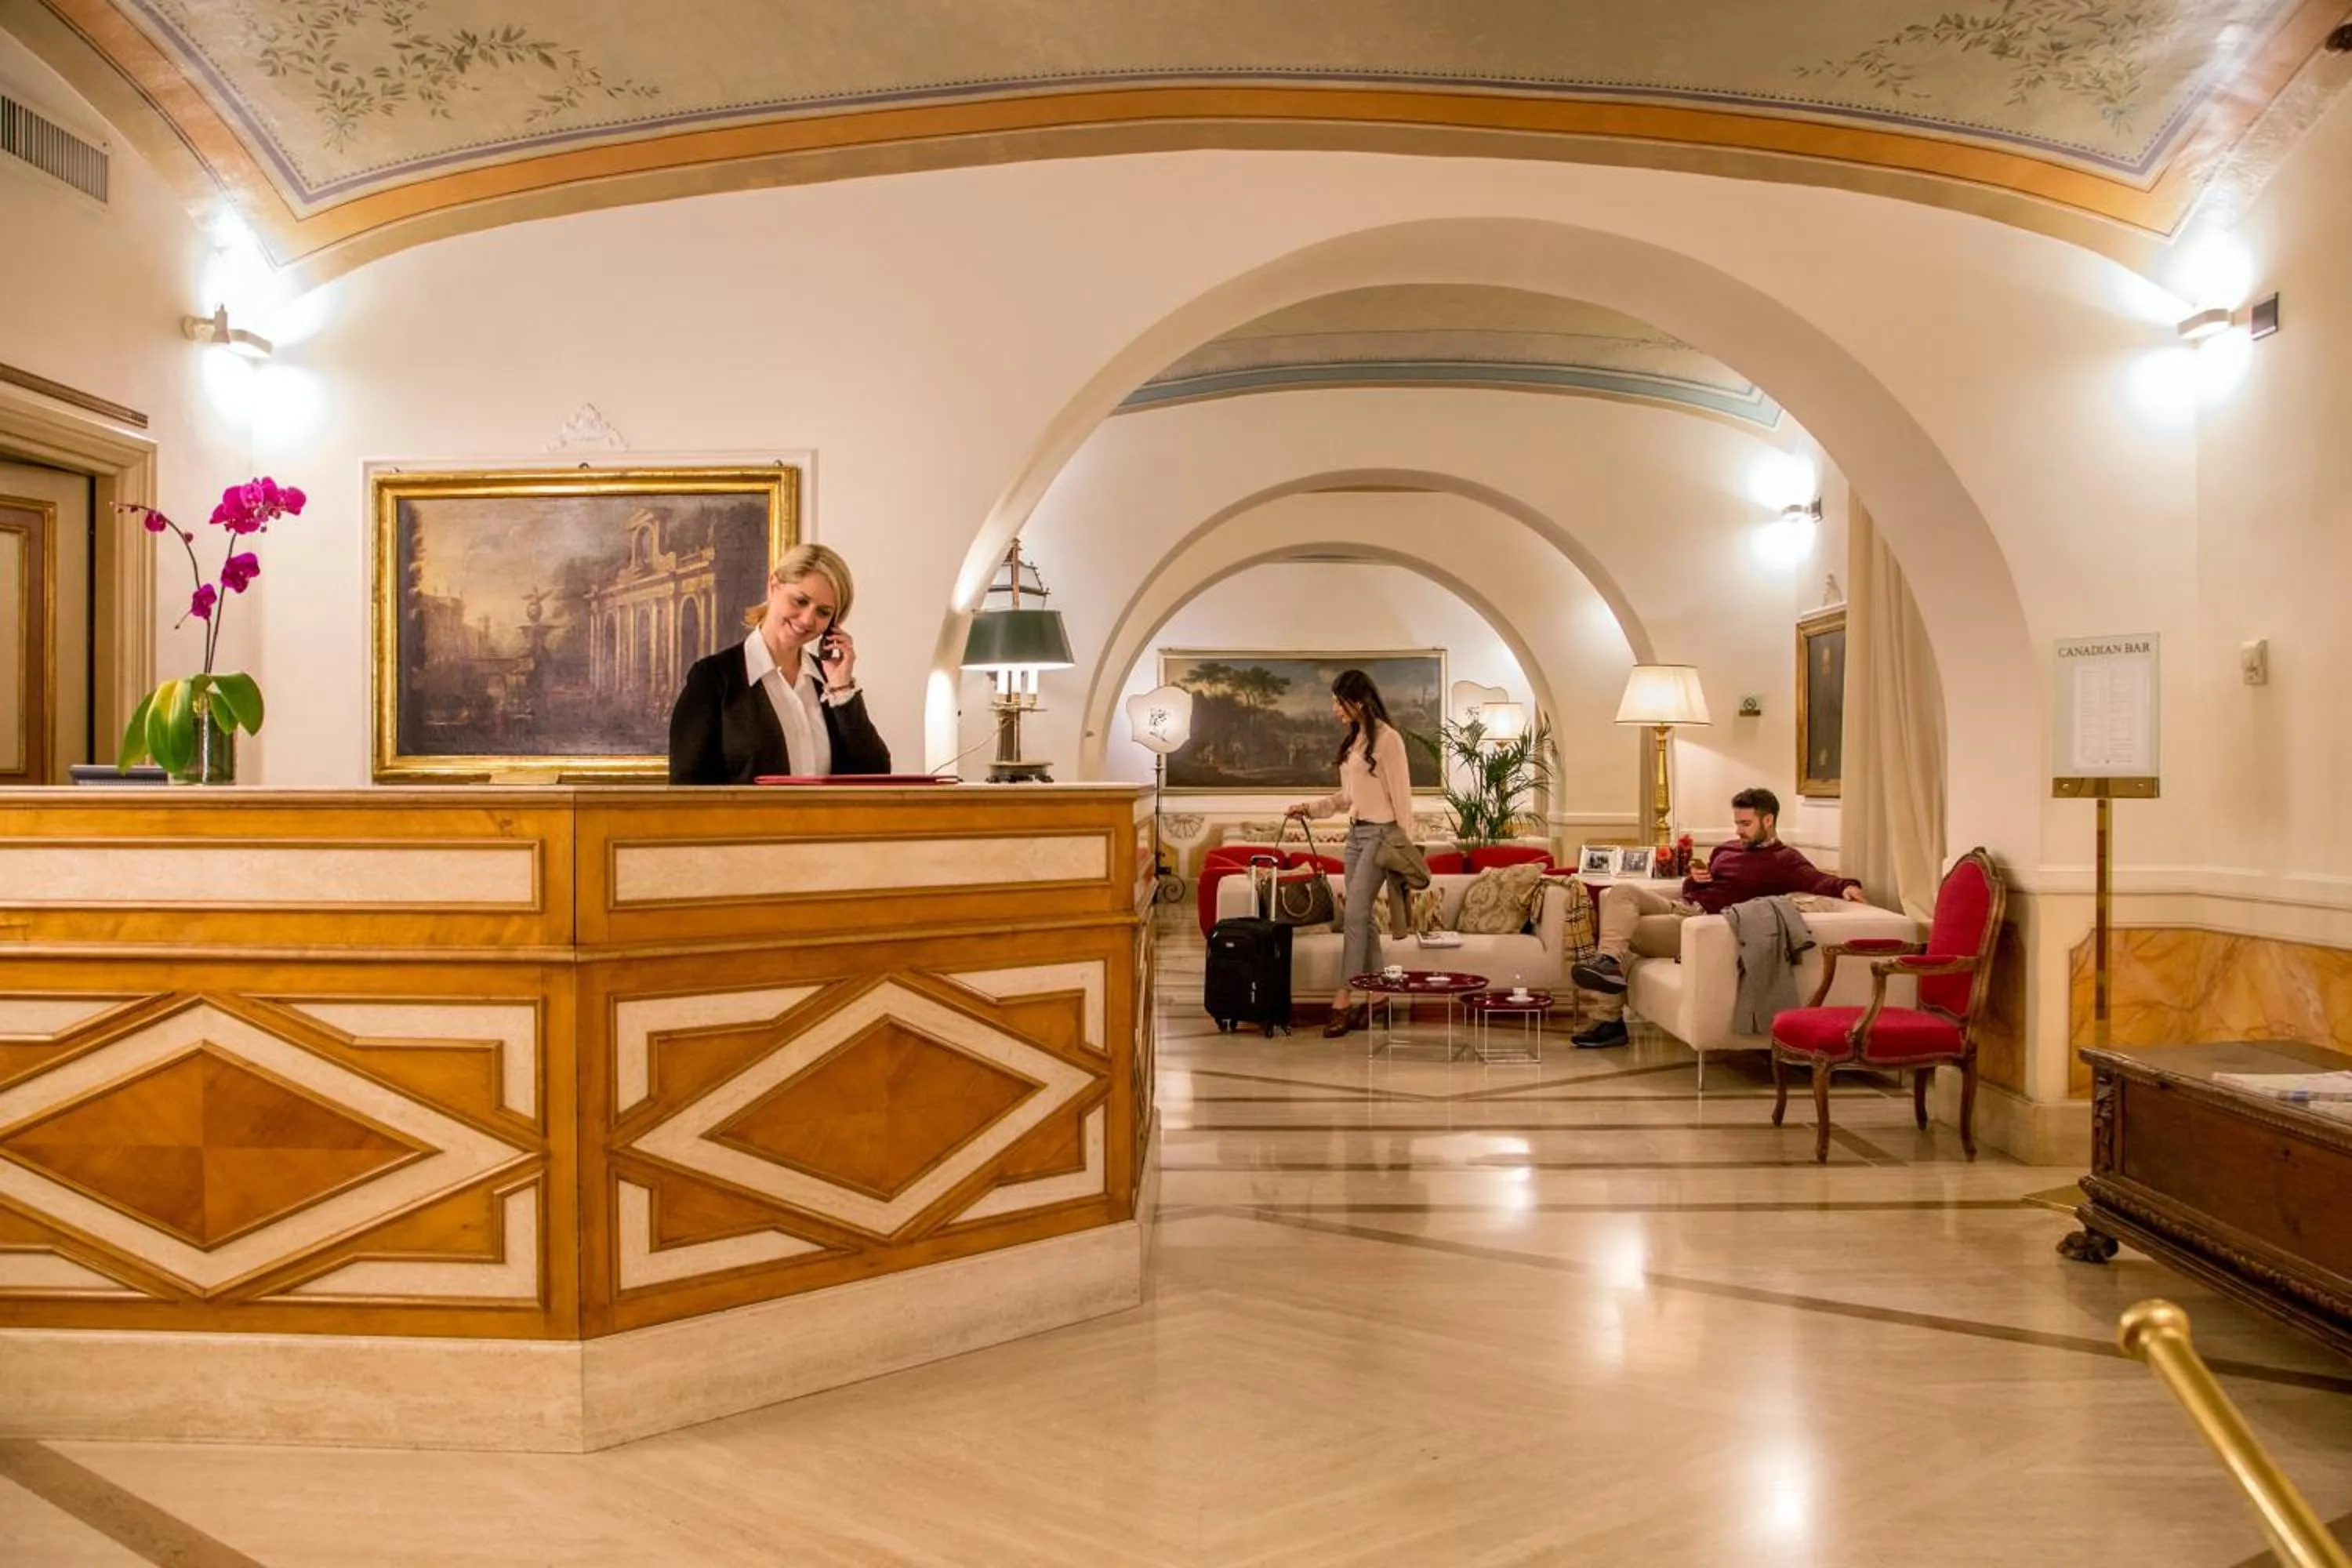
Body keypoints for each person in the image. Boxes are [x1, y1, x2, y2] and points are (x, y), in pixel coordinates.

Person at [1566, 786, 1866, 1047]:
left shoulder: (1784, 860)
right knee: (1621, 893)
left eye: (1746, 823)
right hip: (1684, 907)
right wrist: (1697, 878)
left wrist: (1847, 886)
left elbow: (1817, 879)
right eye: (1737, 822)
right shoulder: (1727, 848)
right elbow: (1696, 886)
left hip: (1700, 923)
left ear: (1768, 820)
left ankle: (1608, 1017)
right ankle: (1607, 965)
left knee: (1624, 930)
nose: (1739, 830)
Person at [667, 543, 891, 784]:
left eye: (823, 612)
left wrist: (841, 688)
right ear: (773, 586)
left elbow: (876, 774)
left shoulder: (830, 687)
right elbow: (686, 791)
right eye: (800, 601)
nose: (807, 620)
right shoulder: (712, 679)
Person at [1288, 669, 1417, 1039]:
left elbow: (1403, 799)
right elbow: (1348, 799)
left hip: (1382, 837)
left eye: (1337, 701)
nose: (1333, 709)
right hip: (1356, 837)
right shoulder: (1355, 741)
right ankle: (1377, 997)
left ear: (1357, 701)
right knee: (1365, 921)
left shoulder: (1389, 741)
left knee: (1356, 915)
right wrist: (1309, 808)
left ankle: (1343, 996)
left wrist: (1402, 848)